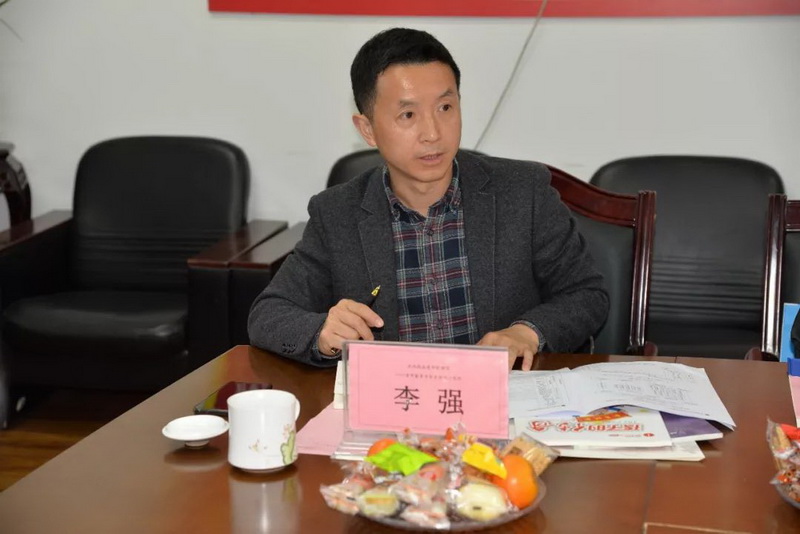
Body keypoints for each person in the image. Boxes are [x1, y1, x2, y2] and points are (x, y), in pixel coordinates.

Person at [248, 27, 608, 370]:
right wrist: (322, 332)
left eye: (445, 108)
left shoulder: (522, 191)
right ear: (367, 129)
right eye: (408, 114)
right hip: (396, 404)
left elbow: (586, 294)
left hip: (504, 398)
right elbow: (268, 314)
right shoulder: (337, 214)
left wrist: (527, 332)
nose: (433, 133)